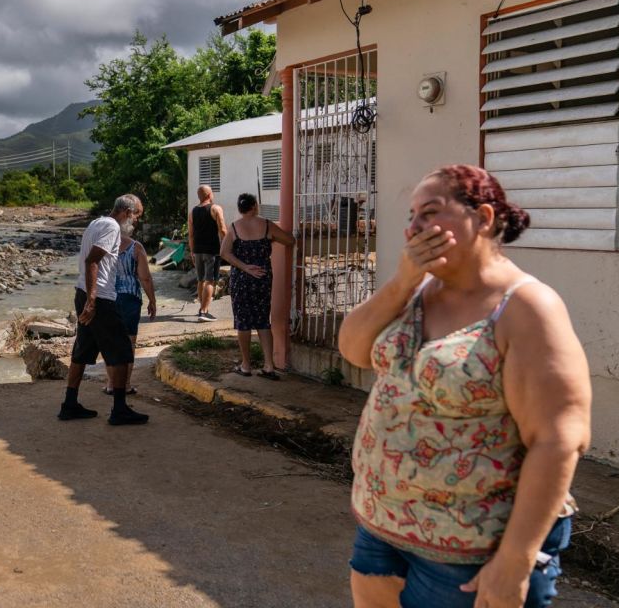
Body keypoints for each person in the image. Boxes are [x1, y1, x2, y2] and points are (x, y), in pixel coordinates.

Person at [338, 165, 591, 608]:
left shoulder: (527, 307)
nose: (414, 226)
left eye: (429, 212)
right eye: (411, 215)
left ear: (485, 218)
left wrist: (515, 560)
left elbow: (558, 439)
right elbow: (354, 349)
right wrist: (402, 282)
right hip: (384, 526)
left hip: (472, 549)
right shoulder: (418, 293)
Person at [59, 194, 149, 426]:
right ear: (127, 213)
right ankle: (119, 409)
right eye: (136, 216)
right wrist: (92, 300)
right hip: (99, 297)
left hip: (83, 291)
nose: (136, 222)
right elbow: (92, 260)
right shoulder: (112, 228)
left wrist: (87, 297)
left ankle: (69, 404)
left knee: (82, 351)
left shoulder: (96, 222)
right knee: (121, 352)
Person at [220, 193, 294, 380]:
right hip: (262, 278)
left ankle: (246, 365)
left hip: (241, 279)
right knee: (262, 320)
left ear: (240, 208)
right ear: (254, 206)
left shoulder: (234, 227)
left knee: (243, 322)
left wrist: (245, 267)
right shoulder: (267, 225)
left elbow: (224, 253)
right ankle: (269, 365)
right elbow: (290, 240)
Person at [101, 220, 157, 395]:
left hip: (107, 296)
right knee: (128, 343)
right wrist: (152, 300)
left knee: (110, 341)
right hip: (130, 298)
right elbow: (145, 278)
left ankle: (111, 383)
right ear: (129, 230)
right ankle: (124, 384)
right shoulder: (135, 247)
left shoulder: (103, 245)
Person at [187, 185, 226, 322]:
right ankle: (203, 312)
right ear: (210, 195)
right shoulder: (216, 208)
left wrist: (192, 252)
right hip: (212, 250)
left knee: (200, 280)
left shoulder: (193, 212)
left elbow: (190, 235)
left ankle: (203, 308)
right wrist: (229, 247)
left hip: (198, 250)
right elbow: (223, 230)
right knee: (210, 280)